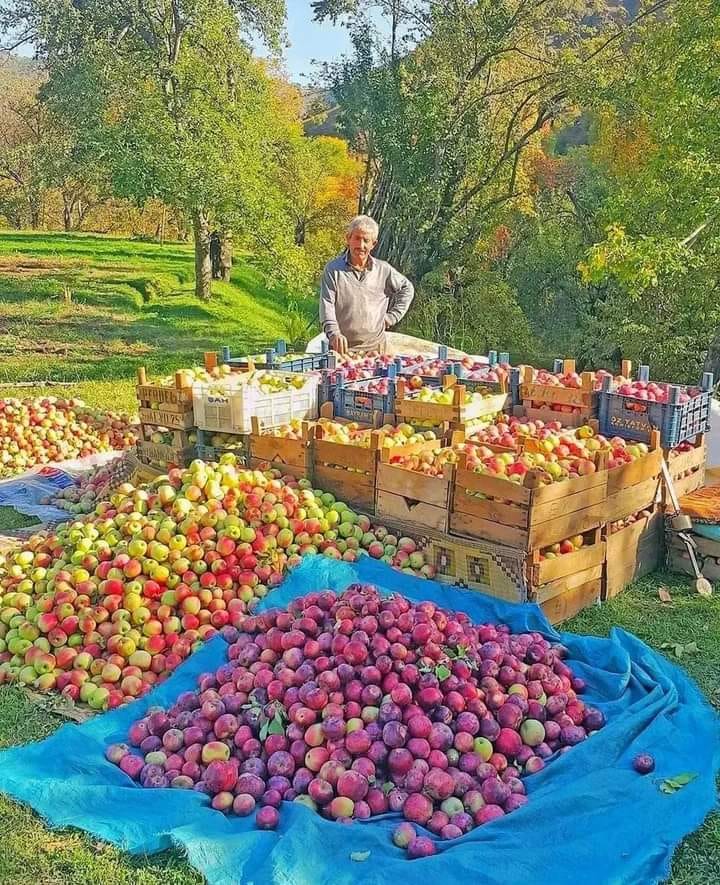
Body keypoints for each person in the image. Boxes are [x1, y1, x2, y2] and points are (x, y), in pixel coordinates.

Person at [320, 215, 415, 354]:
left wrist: (391, 317)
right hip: (342, 351)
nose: (361, 245)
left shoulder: (383, 270)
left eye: (366, 240)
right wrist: (334, 333)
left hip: (377, 350)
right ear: (348, 239)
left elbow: (407, 289)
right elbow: (326, 305)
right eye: (357, 238)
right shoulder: (333, 270)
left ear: (373, 244)